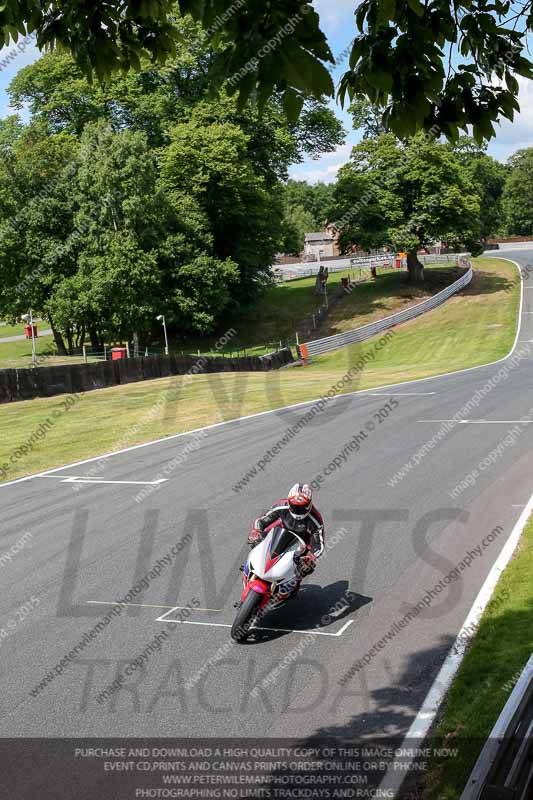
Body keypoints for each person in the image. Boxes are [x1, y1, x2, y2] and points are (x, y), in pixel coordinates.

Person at [248, 483, 325, 601]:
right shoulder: (281, 506)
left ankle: (290, 588)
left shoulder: (316, 520)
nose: (298, 511)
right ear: (289, 502)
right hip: (280, 534)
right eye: (295, 507)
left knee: (305, 568)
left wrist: (310, 557)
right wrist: (256, 531)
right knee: (258, 541)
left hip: (301, 544)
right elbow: (261, 521)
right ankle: (250, 567)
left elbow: (319, 545)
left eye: (302, 507)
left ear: (309, 504)